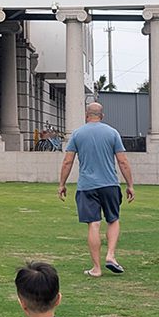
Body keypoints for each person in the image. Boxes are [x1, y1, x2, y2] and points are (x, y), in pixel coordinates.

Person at [57, 100, 135, 277]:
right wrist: (130, 185)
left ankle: (96, 268)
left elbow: (67, 161)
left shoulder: (77, 134)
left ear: (86, 115)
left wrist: (62, 184)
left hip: (87, 186)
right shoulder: (112, 133)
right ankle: (111, 255)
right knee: (113, 219)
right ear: (102, 116)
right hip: (110, 184)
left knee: (93, 224)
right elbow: (122, 161)